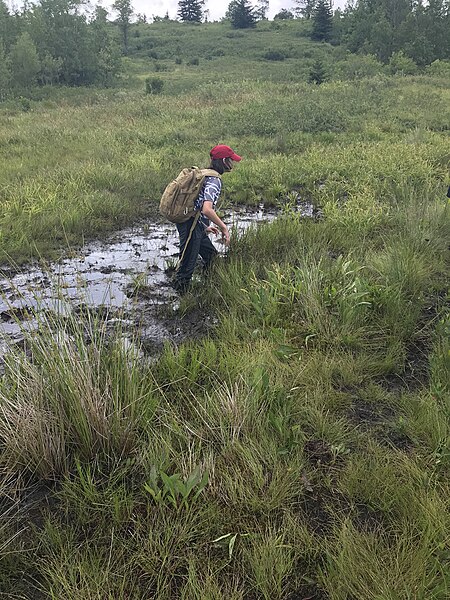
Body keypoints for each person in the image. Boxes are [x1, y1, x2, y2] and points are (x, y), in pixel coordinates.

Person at [173, 144, 242, 294]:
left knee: (211, 257)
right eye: (231, 160)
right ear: (224, 161)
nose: (232, 164)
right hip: (191, 225)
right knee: (187, 265)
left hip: (192, 222)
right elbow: (206, 209)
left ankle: (210, 288)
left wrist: (204, 227)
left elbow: (195, 204)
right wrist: (224, 227)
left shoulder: (204, 174)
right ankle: (180, 299)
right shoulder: (214, 180)